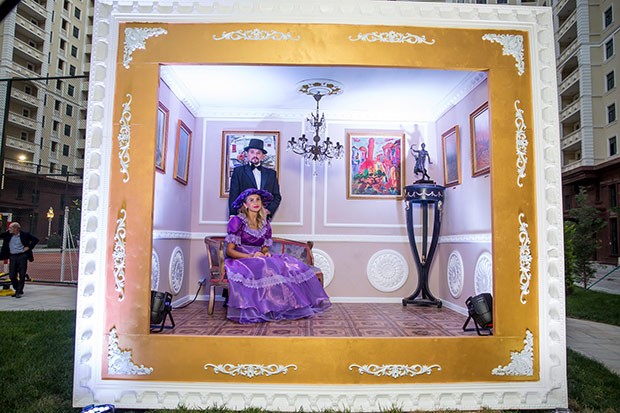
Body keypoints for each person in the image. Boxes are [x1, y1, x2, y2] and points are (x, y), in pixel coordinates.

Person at [224, 188, 331, 323]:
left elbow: (264, 246)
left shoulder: (264, 223)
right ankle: (262, 309)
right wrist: (251, 257)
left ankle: (287, 307)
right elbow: (229, 251)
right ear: (245, 205)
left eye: (258, 199)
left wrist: (265, 252)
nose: (255, 203)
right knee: (265, 265)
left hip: (259, 257)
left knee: (284, 264)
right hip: (242, 259)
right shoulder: (237, 222)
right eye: (251, 200)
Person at [228, 139, 282, 218]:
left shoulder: (271, 174)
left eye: (258, 153)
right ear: (247, 154)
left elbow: (277, 196)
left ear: (263, 156)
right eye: (252, 152)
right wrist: (233, 214)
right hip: (243, 216)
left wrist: (268, 210)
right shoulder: (238, 172)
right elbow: (234, 195)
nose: (255, 155)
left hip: (264, 217)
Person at [0, 222, 39, 298]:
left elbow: (35, 240)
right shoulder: (8, 235)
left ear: (15, 228)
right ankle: (18, 288)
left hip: (22, 256)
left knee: (22, 274)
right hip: (12, 256)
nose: (9, 229)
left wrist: (29, 247)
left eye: (10, 228)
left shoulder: (25, 235)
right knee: (12, 275)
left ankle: (18, 292)